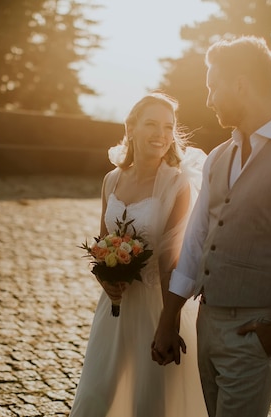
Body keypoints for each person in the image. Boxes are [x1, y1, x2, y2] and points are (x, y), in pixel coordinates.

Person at [151, 36, 271, 417]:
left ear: (240, 84)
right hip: (206, 323)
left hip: (255, 330)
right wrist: (169, 318)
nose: (208, 100)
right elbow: (195, 242)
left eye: (213, 87)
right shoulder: (219, 157)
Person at [70, 92, 208, 417]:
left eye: (168, 126)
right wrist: (105, 279)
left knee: (150, 402)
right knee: (96, 394)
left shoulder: (178, 185)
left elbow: (171, 262)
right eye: (151, 124)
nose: (161, 134)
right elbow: (102, 244)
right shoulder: (112, 179)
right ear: (131, 127)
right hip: (114, 308)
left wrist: (168, 322)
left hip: (157, 306)